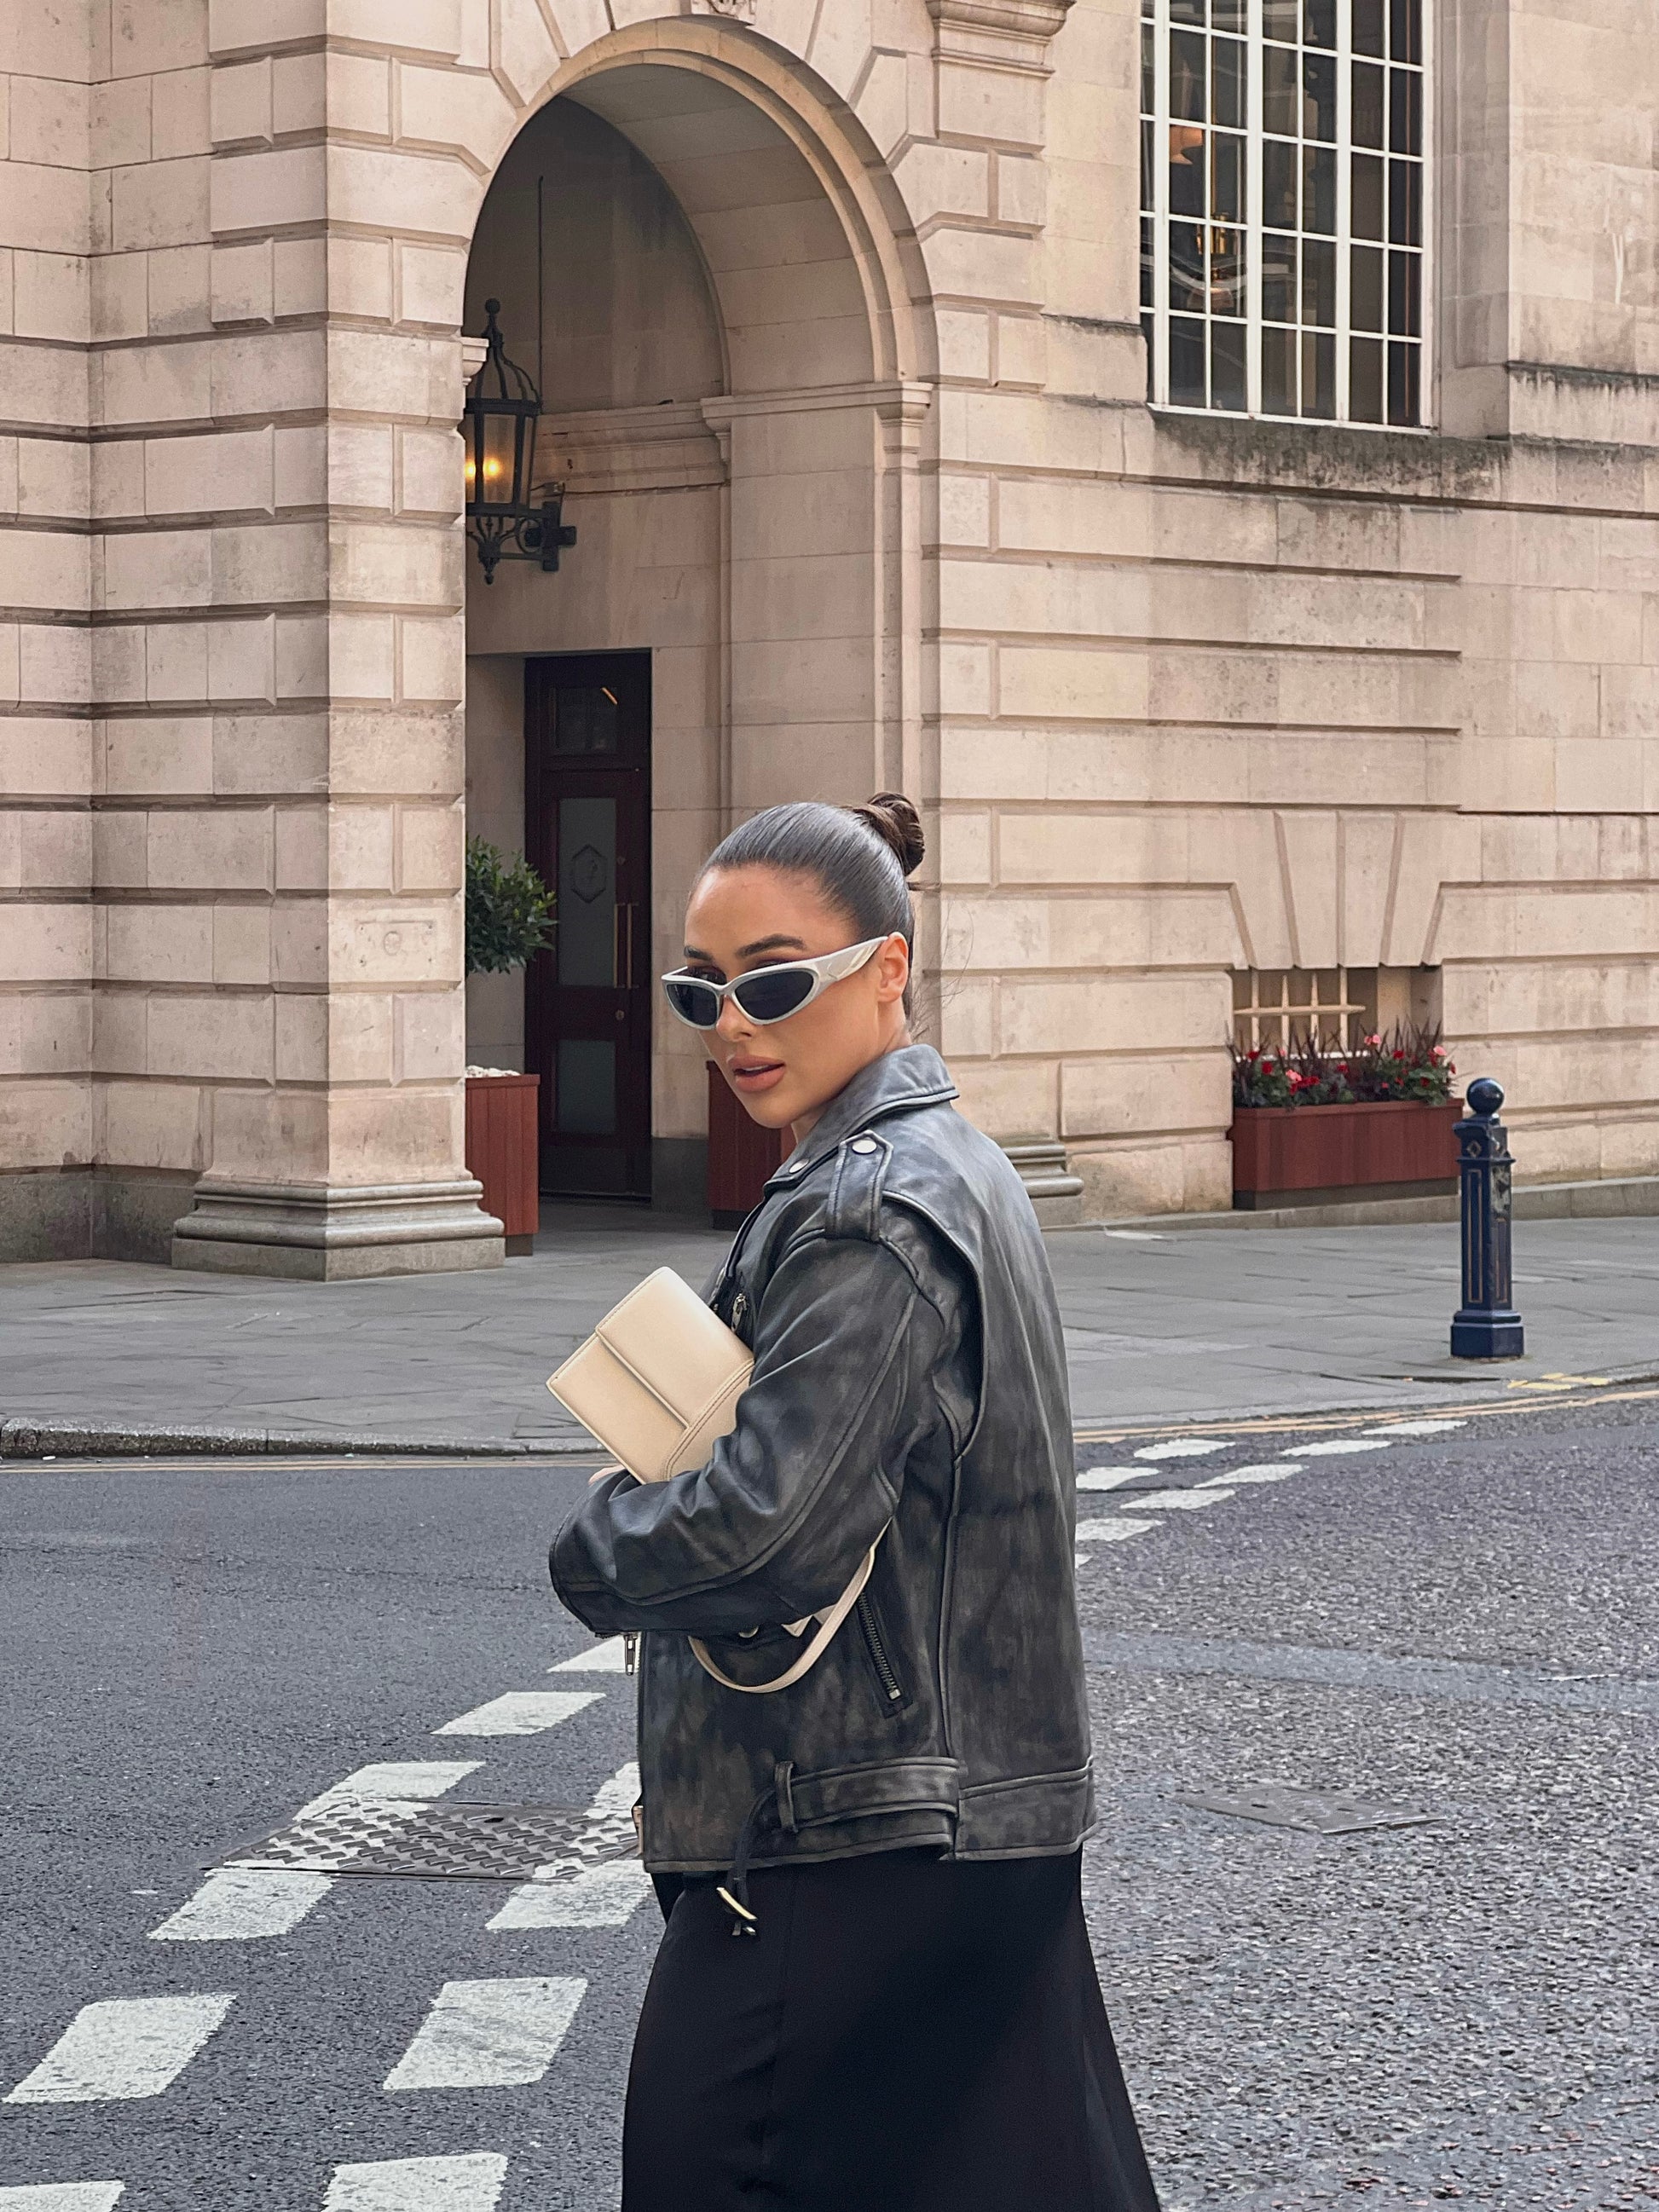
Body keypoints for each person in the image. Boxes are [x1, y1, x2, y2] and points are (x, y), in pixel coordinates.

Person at [548, 794, 1161, 2212]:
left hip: (847, 1838)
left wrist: (593, 1548)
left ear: (884, 971)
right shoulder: (953, 1165)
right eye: (700, 986)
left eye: (772, 981)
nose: (730, 1023)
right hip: (974, 1825)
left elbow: (769, 1526)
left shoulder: (863, 1208)